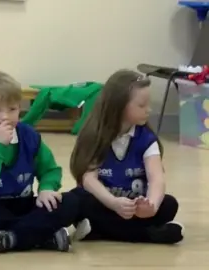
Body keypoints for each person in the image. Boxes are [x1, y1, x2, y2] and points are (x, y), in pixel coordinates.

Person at [0, 71, 80, 255]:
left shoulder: (29, 136)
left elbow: (50, 170)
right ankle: (40, 236)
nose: (5, 117)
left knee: (70, 202)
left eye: (12, 109)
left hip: (22, 205)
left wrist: (46, 188)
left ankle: (6, 239)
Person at [69, 69, 184, 244]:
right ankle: (149, 235)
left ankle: (98, 230)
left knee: (168, 204)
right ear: (119, 105)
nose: (148, 110)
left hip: (134, 207)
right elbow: (89, 179)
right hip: (105, 203)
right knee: (75, 199)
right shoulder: (96, 135)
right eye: (141, 105)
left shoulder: (146, 139)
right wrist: (114, 203)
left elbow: (157, 179)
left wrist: (151, 206)